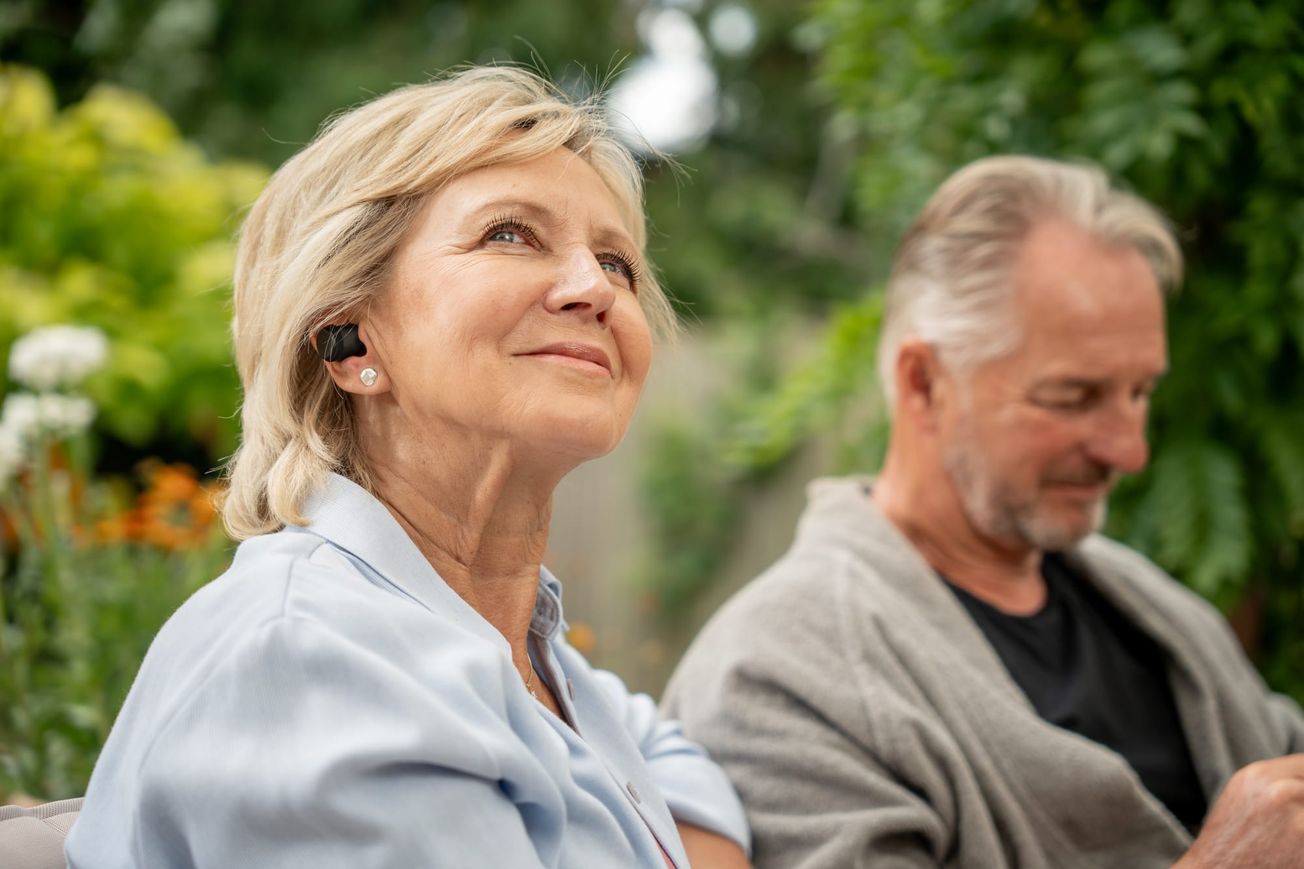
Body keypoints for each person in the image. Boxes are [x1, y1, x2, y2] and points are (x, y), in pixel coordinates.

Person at [66, 66, 750, 868]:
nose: (592, 287)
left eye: (618, 261)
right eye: (510, 233)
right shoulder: (308, 659)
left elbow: (678, 767)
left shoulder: (530, 655)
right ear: (348, 337)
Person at [662, 155, 1304, 868]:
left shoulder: (1156, 612)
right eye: (1073, 397)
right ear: (924, 381)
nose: (1129, 450)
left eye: (1139, 392)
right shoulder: (777, 673)